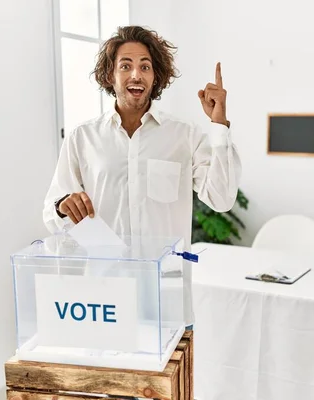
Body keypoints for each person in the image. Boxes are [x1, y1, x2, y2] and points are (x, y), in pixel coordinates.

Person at [42, 25, 241, 330]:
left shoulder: (184, 135)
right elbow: (53, 213)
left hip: (168, 301)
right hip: (103, 302)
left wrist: (219, 125)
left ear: (155, 76)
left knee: (171, 380)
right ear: (110, 75)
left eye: (145, 66)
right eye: (126, 66)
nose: (136, 74)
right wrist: (63, 205)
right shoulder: (82, 138)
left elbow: (222, 197)